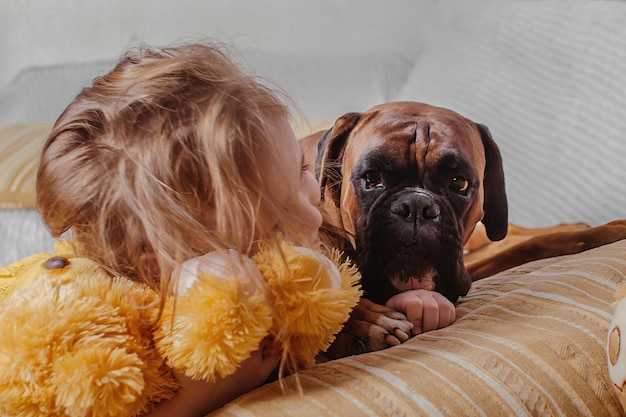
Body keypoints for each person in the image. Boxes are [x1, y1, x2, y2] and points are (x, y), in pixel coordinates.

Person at [34, 42, 455, 416]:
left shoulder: (313, 252)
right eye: (274, 222)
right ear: (166, 262)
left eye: (303, 171)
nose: (313, 216)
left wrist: (399, 302)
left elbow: (340, 303)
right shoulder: (113, 334)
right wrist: (198, 398)